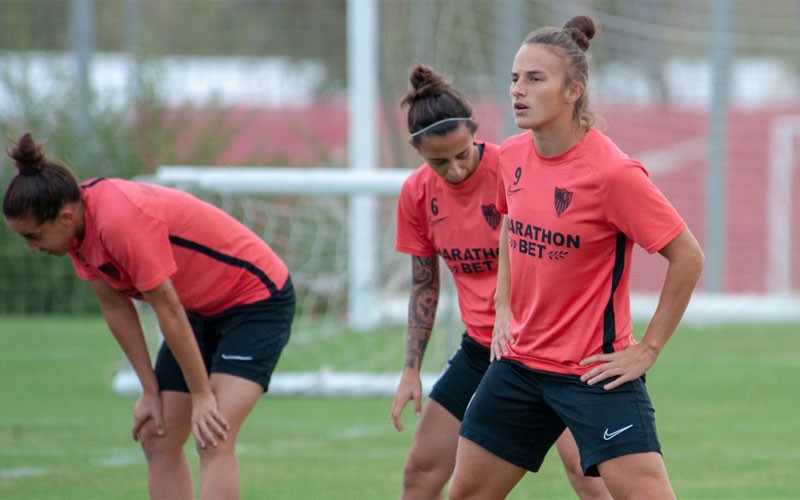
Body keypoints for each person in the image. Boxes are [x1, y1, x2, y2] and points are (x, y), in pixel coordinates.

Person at [447, 16, 705, 500]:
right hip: (519, 367)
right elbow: (509, 225)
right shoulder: (512, 156)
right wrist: (503, 304)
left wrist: (647, 349)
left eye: (535, 79)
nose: (517, 90)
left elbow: (687, 256)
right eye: (514, 78)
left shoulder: (613, 175)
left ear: (574, 91)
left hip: (592, 373)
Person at [3, 132, 295, 499]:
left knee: (212, 436)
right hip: (197, 309)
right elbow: (116, 308)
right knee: (156, 436)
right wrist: (149, 390)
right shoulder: (77, 230)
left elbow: (168, 309)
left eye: (34, 236)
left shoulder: (117, 221)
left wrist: (203, 395)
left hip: (255, 301)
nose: (32, 248)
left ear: (63, 218)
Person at [391, 63, 612, 500]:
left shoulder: (513, 166)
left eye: (462, 154)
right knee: (421, 471)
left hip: (546, 346)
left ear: (474, 131)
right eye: (439, 161)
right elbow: (425, 285)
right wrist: (411, 369)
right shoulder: (416, 195)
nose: (455, 170)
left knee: (587, 473)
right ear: (417, 151)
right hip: (482, 348)